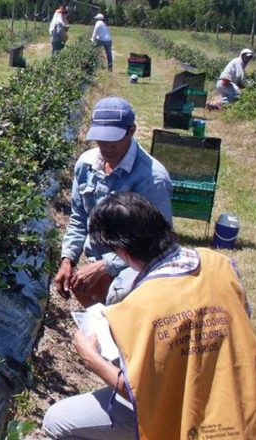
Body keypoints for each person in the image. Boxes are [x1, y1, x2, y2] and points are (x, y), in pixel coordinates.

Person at [43, 192, 256, 439]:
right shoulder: (221, 264)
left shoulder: (140, 305)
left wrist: (91, 359)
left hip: (195, 424)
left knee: (57, 420)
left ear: (122, 251)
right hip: (253, 413)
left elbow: (142, 394)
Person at [54, 97, 172, 308]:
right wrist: (68, 259)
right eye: (101, 139)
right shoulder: (86, 165)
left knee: (119, 308)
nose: (106, 146)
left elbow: (159, 245)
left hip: (136, 266)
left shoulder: (152, 179)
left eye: (114, 139)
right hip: (99, 260)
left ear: (132, 131)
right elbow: (79, 218)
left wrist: (107, 266)